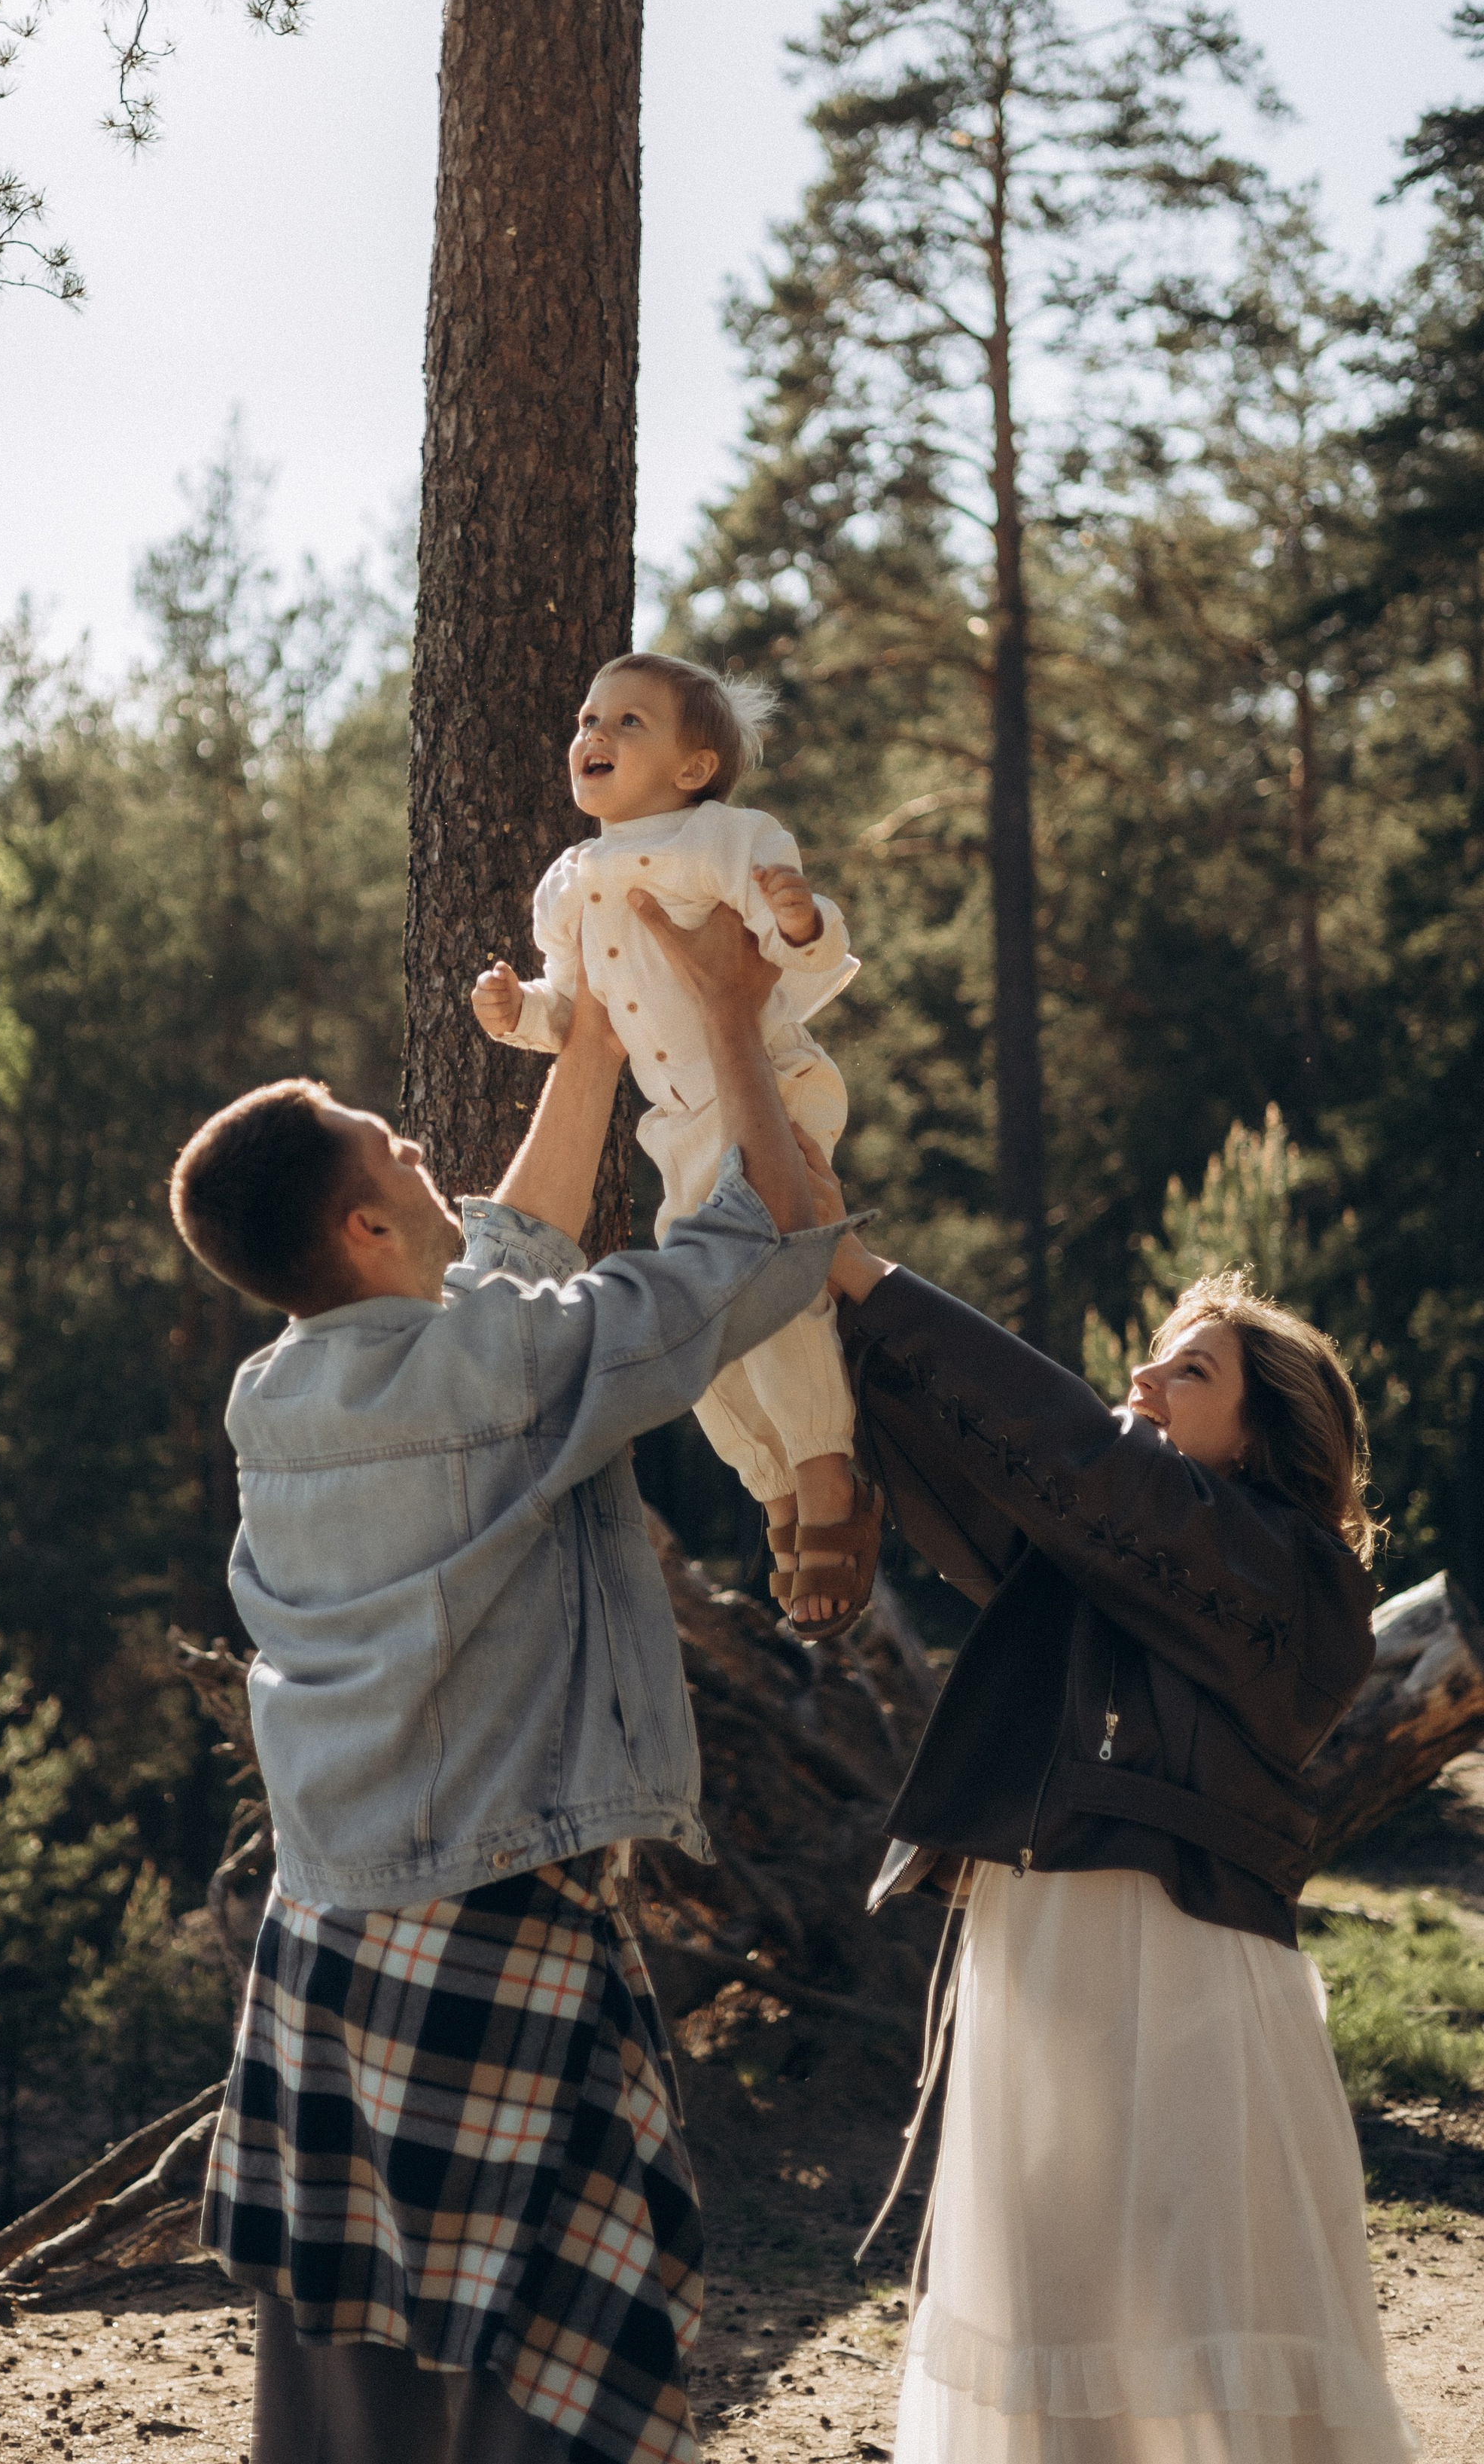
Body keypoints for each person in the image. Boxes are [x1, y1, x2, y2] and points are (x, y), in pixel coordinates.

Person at [168, 905, 870, 2464]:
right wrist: (733, 1015)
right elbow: (758, 1239)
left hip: (333, 1921)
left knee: (351, 2337)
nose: (424, 1146)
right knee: (545, 2347)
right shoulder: (499, 1377)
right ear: (358, 1231)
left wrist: (604, 1045)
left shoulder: (280, 1394)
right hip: (486, 1923)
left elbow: (509, 1255)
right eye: (391, 1145)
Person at [798, 1156, 1416, 2462]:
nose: (1142, 1381)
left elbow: (1072, 1451)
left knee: (1201, 2297)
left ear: (1259, 1433)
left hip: (1180, 1955)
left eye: (1188, 1372)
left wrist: (864, 1272)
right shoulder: (1105, 1556)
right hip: (1045, 1939)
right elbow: (983, 1461)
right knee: (1051, 2282)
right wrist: (827, 1284)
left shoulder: (1291, 1580)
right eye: (1152, 1356)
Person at [471, 650, 872, 1634]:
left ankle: (829, 1472)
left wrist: (797, 918)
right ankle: (769, 1478)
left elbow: (804, 943)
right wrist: (518, 1010)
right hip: (678, 1127)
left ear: (694, 768)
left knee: (769, 1284)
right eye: (585, 719)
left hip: (769, 1091)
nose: (593, 736)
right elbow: (580, 1017)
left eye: (627, 723)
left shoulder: (726, 837)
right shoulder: (566, 884)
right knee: (696, 1324)